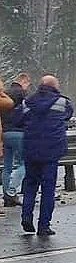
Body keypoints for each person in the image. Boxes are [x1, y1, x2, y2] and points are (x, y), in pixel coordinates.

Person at [13, 75, 74, 235]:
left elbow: (17, 119)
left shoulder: (28, 102)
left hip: (31, 149)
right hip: (52, 151)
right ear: (55, 87)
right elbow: (68, 115)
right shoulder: (63, 102)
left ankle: (26, 217)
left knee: (31, 185)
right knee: (48, 189)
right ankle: (44, 225)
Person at [1, 73, 29, 207]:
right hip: (19, 133)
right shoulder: (22, 95)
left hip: (4, 133)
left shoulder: (4, 95)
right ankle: (12, 190)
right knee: (24, 163)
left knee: (7, 166)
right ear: (24, 82)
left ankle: (7, 195)